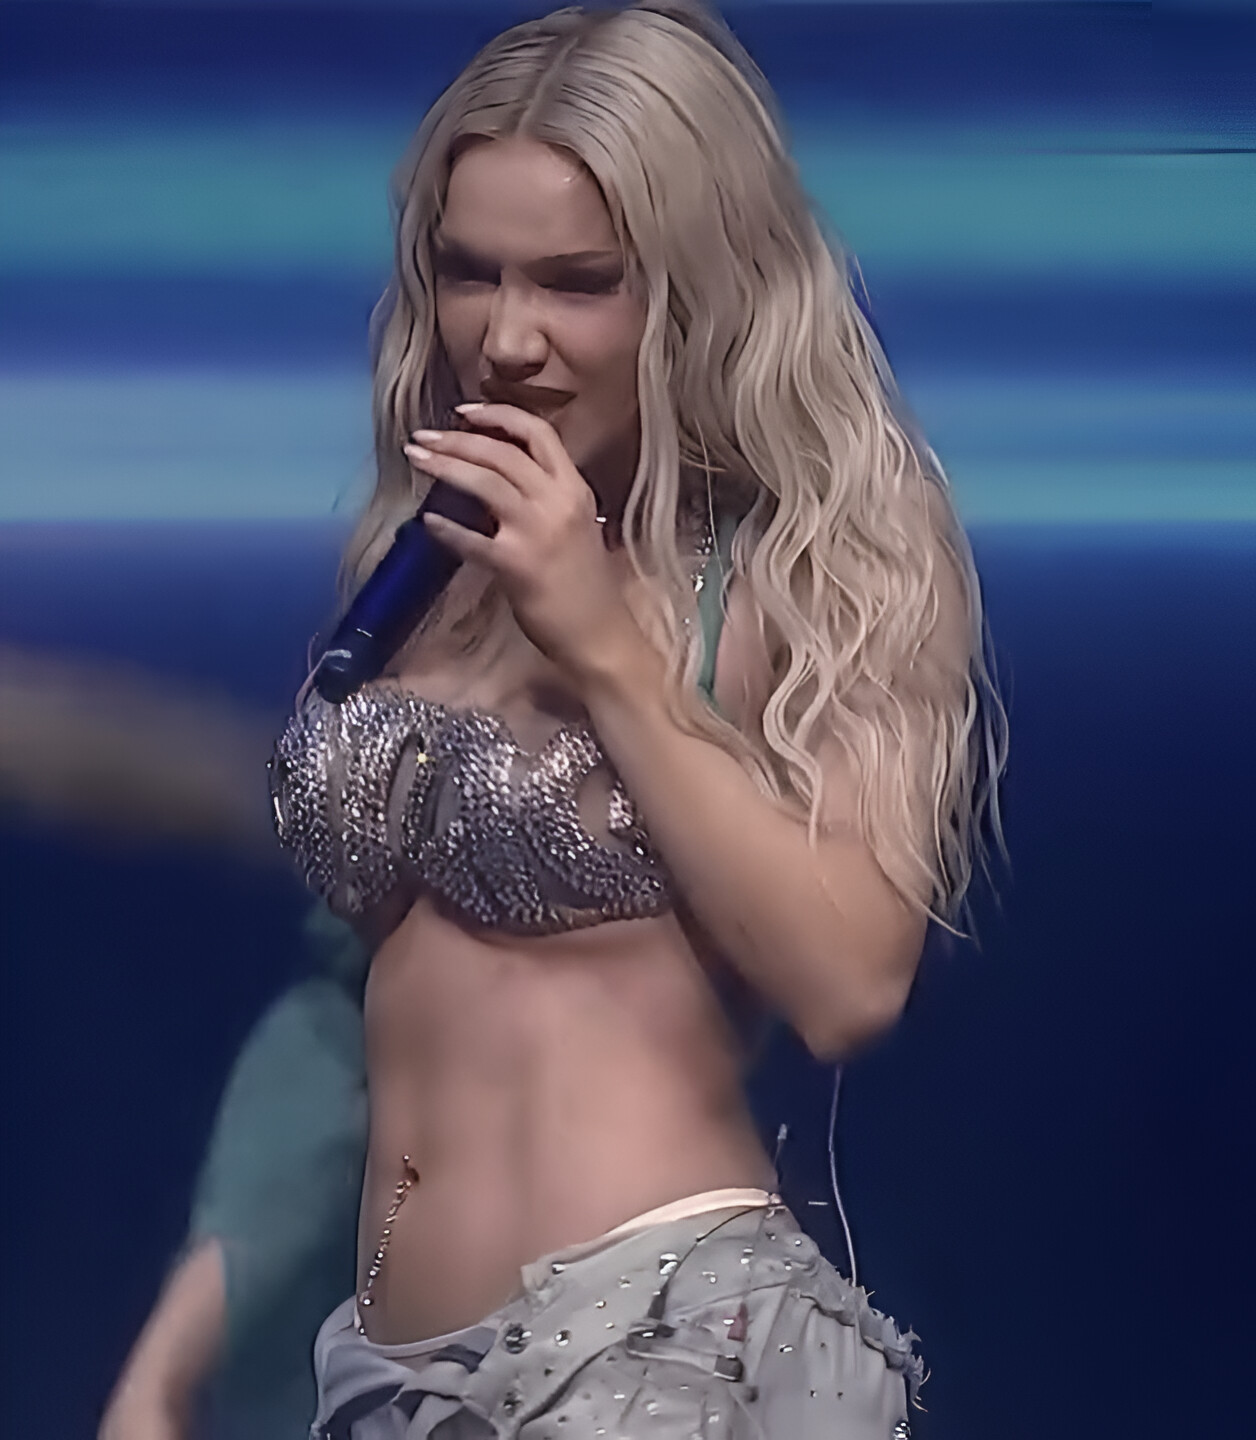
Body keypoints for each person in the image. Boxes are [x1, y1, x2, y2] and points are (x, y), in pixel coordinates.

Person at [99, 1, 1008, 1435]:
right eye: (471, 273)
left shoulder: (817, 554)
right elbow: (345, 1016)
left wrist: (605, 650)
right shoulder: (428, 553)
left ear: (704, 285)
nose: (507, 339)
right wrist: (174, 1354)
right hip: (384, 1372)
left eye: (578, 283)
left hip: (669, 1349)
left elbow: (849, 983)